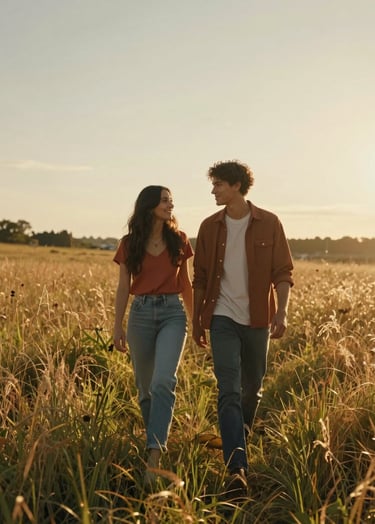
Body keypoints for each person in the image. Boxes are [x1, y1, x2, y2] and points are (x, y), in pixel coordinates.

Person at [192, 160, 294, 498]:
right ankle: (237, 468)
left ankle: (240, 435)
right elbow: (201, 278)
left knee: (253, 387)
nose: (213, 190)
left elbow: (283, 272)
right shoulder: (209, 227)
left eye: (218, 184)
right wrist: (197, 320)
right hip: (221, 315)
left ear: (236, 186)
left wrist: (281, 312)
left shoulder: (269, 223)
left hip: (258, 318)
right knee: (229, 388)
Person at [113, 185, 193, 487]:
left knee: (163, 381)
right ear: (149, 206)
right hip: (141, 315)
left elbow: (185, 283)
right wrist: (117, 326)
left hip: (173, 313)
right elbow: (123, 287)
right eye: (164, 200)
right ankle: (155, 437)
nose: (170, 204)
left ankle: (154, 455)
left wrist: (196, 321)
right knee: (145, 389)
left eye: (171, 200)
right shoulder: (130, 243)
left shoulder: (179, 240)